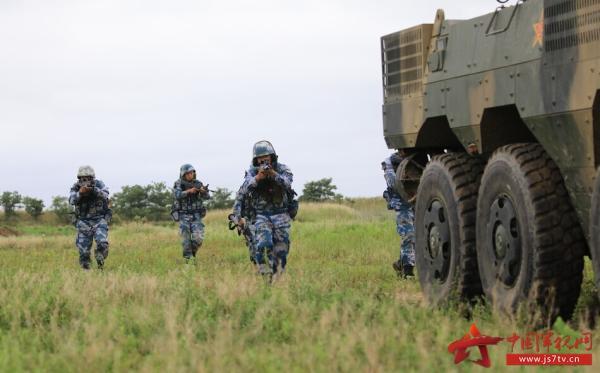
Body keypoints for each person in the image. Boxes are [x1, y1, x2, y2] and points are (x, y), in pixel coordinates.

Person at [232, 140, 296, 277]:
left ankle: (277, 276)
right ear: (256, 160)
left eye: (266, 158)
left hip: (281, 214)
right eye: (260, 159)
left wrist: (273, 174)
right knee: (264, 244)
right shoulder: (251, 172)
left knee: (282, 249)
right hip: (261, 215)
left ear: (272, 157)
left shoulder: (283, 169)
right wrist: (258, 177)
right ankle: (265, 277)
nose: (263, 162)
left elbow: (287, 183)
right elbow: (243, 189)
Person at [69, 165, 111, 270]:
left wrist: (93, 190)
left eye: (88, 178)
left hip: (99, 220)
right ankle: (86, 274)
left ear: (92, 178)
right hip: (83, 222)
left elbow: (105, 195)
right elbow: (71, 200)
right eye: (83, 178)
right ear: (79, 178)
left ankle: (99, 259)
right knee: (83, 252)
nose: (85, 180)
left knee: (102, 244)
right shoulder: (76, 187)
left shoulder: (99, 184)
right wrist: (80, 193)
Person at [382, 152, 415, 278]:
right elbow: (394, 184)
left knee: (418, 236)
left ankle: (401, 264)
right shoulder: (392, 162)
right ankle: (408, 271)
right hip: (402, 203)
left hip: (416, 200)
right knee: (409, 235)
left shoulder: (417, 159)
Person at [172, 164, 210, 261]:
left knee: (198, 239)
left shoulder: (198, 183)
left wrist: (203, 191)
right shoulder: (178, 183)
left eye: (192, 173)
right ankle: (188, 260)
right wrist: (189, 191)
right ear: (183, 174)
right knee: (186, 240)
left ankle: (191, 254)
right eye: (188, 173)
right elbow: (177, 195)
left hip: (196, 215)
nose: (190, 175)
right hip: (183, 215)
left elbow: (207, 197)